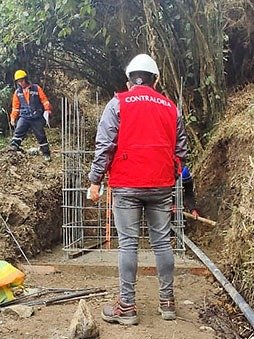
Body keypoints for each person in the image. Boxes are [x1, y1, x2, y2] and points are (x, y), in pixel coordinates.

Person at [87, 54, 188, 325]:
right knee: (162, 242)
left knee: (128, 244)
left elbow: (105, 145)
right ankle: (167, 303)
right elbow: (181, 151)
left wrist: (95, 180)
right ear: (156, 80)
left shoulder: (117, 103)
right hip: (160, 185)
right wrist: (171, 175)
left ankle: (127, 307)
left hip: (126, 184)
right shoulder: (170, 107)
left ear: (129, 80)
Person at [8, 69, 52, 161]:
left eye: (22, 80)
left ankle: (46, 153)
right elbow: (15, 107)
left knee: (41, 135)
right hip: (24, 116)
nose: (21, 83)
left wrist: (47, 110)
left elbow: (44, 100)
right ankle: (13, 148)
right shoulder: (17, 92)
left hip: (36, 117)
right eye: (19, 81)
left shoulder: (36, 88)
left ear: (26, 79)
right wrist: (13, 117)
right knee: (18, 131)